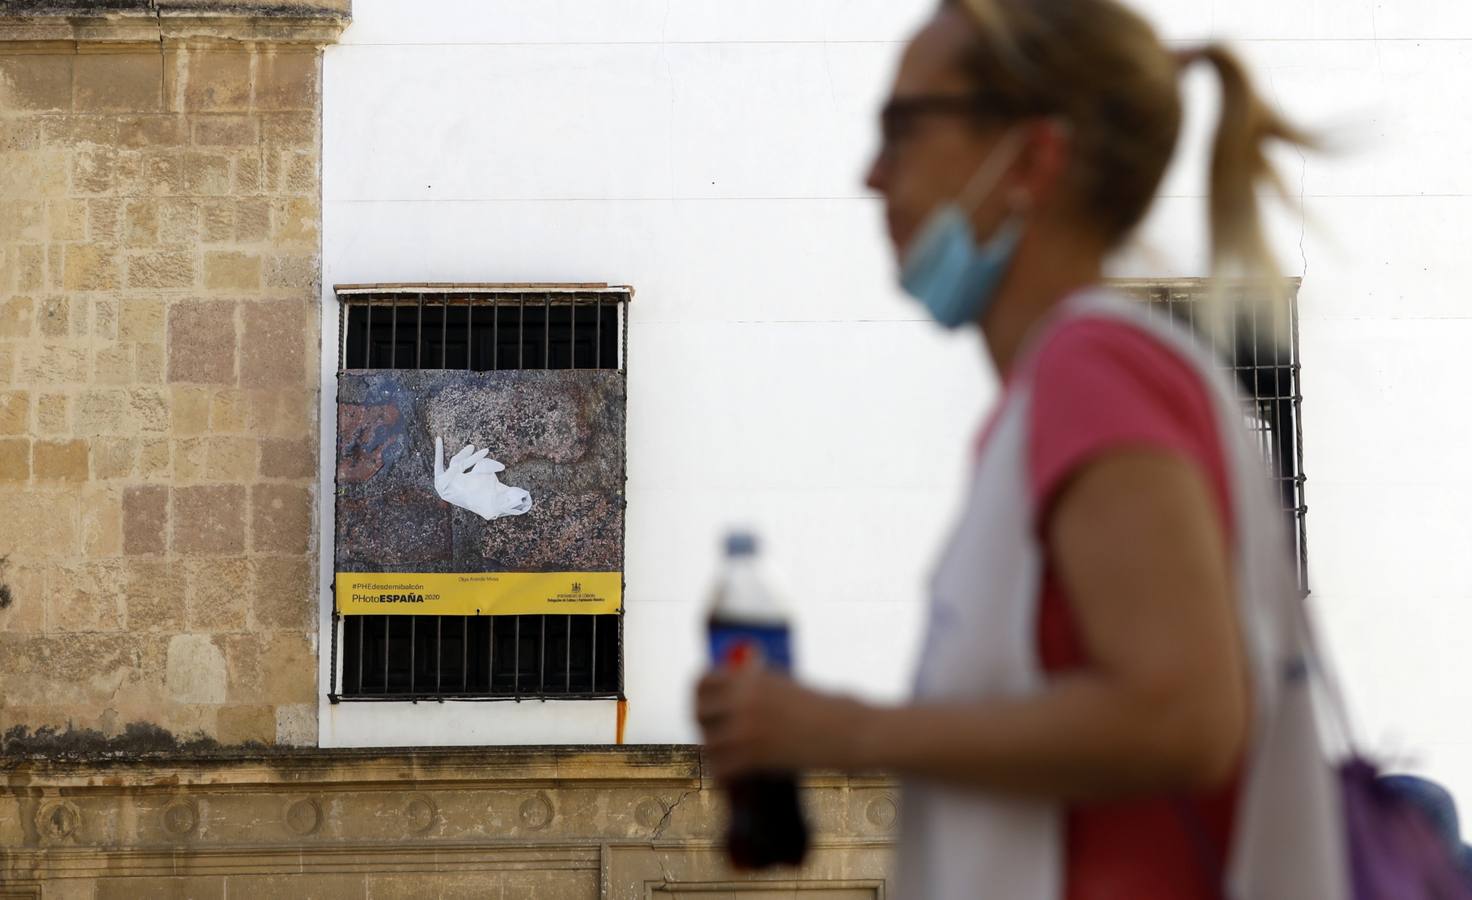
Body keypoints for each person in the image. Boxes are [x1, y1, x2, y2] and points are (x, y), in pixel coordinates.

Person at [694, 1, 1348, 897]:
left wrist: (841, 730)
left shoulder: (1092, 369)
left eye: (904, 128)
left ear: (1031, 159)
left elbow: (1184, 715)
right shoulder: (1061, 386)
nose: (872, 174)